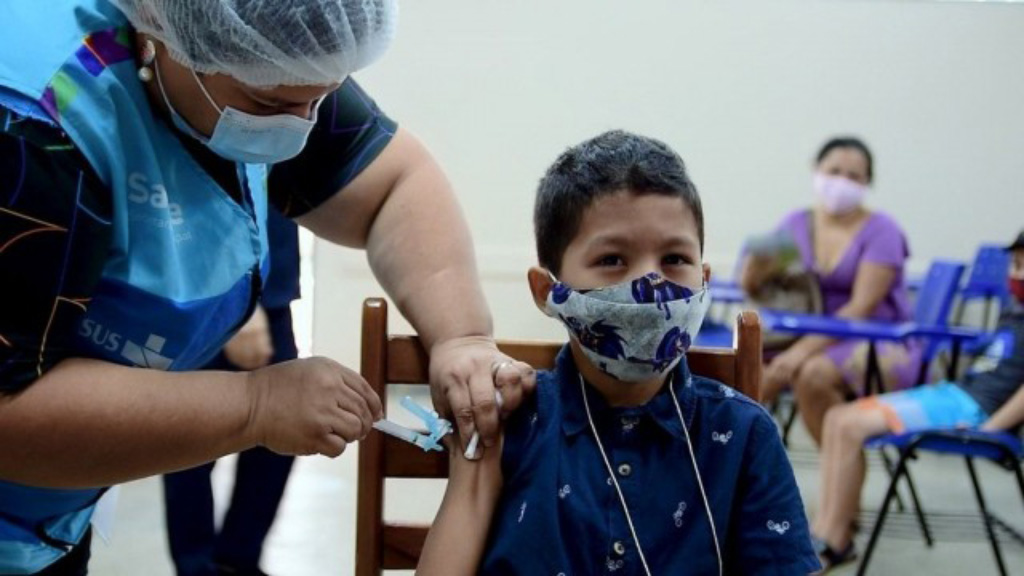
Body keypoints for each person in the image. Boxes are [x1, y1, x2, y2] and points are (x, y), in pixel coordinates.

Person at [0, 2, 534, 574]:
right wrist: (254, 405)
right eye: (270, 105)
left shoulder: (258, 57)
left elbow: (394, 186)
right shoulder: (33, 127)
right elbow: (9, 412)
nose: (301, 126)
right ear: (163, 29)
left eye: (320, 98)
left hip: (45, 524)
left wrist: (461, 336)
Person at [416, 131, 821, 576]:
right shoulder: (511, 422)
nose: (650, 284)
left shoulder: (741, 435)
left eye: (674, 258)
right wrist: (478, 458)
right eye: (612, 259)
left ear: (703, 279)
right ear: (547, 290)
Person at [810, 232, 1024, 573]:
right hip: (956, 394)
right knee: (836, 416)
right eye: (1015, 264)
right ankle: (821, 531)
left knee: (850, 425)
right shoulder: (1015, 310)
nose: (1018, 273)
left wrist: (991, 429)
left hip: (974, 409)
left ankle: (836, 541)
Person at [739, 137, 918, 444]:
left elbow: (861, 308)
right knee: (746, 378)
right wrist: (755, 265)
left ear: (867, 183)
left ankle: (838, 463)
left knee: (810, 373)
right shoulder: (797, 224)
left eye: (853, 176)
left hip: (873, 337)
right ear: (816, 171)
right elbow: (752, 281)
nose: (841, 182)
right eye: (833, 171)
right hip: (801, 335)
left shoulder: (882, 230)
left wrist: (800, 351)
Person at [162, 207, 302, 576]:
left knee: (280, 438)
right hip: (211, 293)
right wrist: (241, 303)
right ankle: (197, 566)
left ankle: (235, 561)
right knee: (188, 440)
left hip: (272, 289)